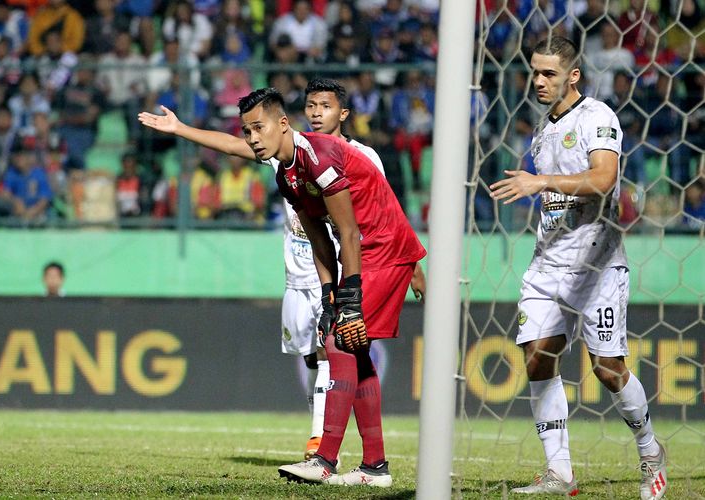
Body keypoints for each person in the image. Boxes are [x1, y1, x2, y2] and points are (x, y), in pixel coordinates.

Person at [139, 86, 426, 488]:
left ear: (283, 124)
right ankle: (374, 467)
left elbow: (347, 230)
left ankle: (324, 459)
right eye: (247, 131)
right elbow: (320, 240)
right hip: (359, 253)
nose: (252, 138)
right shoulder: (287, 173)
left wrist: (350, 294)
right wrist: (330, 295)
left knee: (339, 343)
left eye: (258, 128)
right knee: (353, 352)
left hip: (384, 247)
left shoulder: (321, 158)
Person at [489, 37, 667, 500]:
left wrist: (541, 180)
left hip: (598, 264)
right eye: (534, 72)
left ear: (573, 76)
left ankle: (650, 451)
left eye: (549, 73)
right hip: (549, 262)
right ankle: (559, 472)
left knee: (608, 369)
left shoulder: (598, 117)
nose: (539, 81)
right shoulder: (542, 130)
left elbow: (604, 179)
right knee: (536, 357)